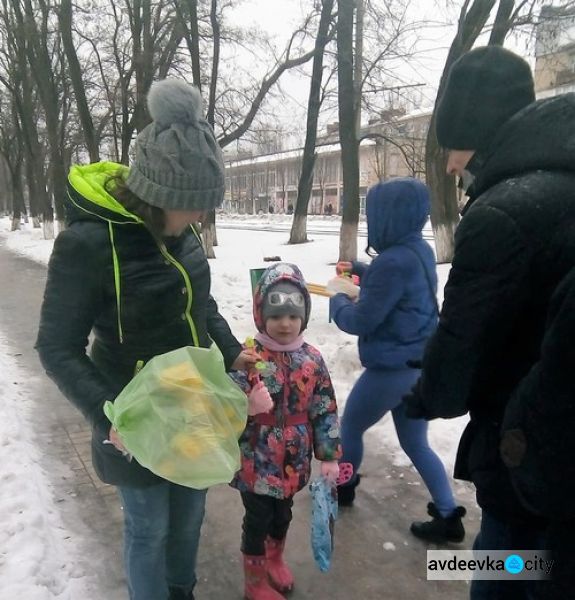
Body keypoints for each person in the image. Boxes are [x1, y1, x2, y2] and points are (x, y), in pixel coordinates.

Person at [35, 79, 256, 600]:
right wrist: (107, 414)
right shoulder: (89, 244)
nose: (202, 218)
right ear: (160, 196)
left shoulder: (180, 230)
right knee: (149, 526)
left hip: (194, 407)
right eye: (195, 206)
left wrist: (229, 350)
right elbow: (55, 347)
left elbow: (199, 303)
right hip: (133, 420)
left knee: (190, 517)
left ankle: (182, 591)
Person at [404, 46, 575, 599]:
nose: (451, 164)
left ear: (477, 131)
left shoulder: (502, 210)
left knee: (503, 561)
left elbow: (462, 337)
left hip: (528, 443)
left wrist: (425, 395)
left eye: (452, 146)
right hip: (557, 441)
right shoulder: (561, 186)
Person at [329, 177, 465, 544]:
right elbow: (396, 281)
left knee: (350, 428)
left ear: (387, 216)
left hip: (390, 369)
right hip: (418, 364)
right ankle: (449, 515)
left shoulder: (392, 262)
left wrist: (337, 298)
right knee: (415, 443)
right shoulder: (417, 250)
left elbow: (361, 320)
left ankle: (343, 487)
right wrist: (362, 268)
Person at [230, 262, 342, 600]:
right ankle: (254, 582)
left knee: (283, 514)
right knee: (258, 517)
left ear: (304, 318)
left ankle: (275, 558)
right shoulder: (248, 357)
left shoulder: (312, 360)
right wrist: (245, 405)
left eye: (294, 316)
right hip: (255, 456)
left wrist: (329, 455)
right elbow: (224, 404)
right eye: (277, 315)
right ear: (261, 314)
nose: (285, 323)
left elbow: (324, 408)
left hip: (294, 458)